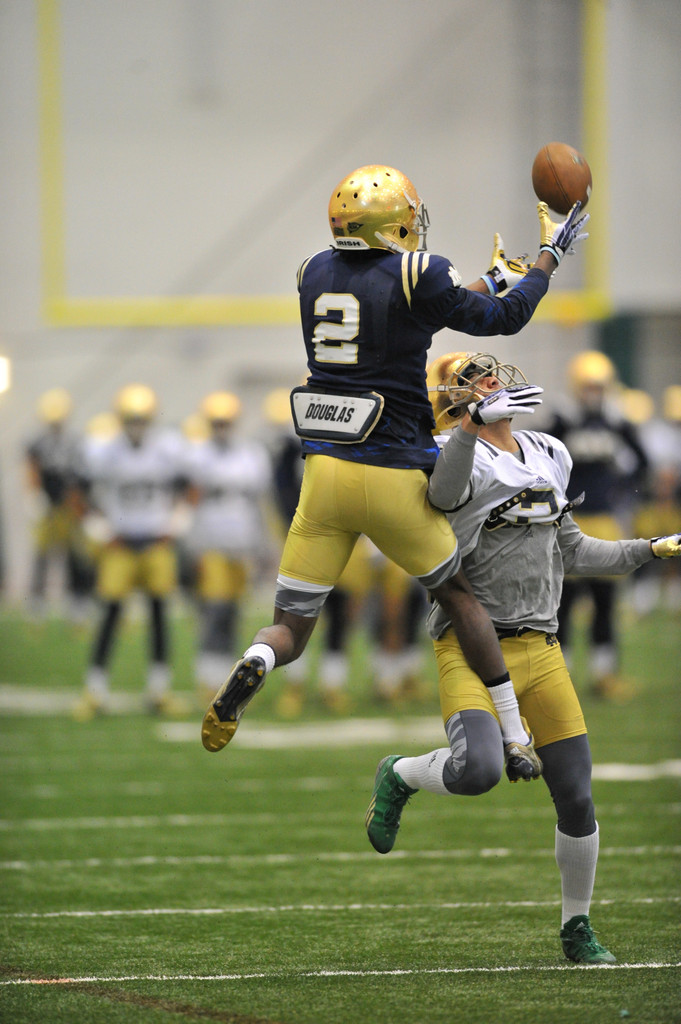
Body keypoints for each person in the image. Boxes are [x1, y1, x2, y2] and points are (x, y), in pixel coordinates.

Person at [201, 162, 589, 758]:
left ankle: (258, 656)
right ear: (394, 224)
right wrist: (546, 260)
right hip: (392, 474)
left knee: (291, 628)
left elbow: (414, 311)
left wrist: (488, 278)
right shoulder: (421, 270)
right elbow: (502, 319)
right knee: (460, 597)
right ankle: (514, 734)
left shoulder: (313, 271)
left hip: (324, 474)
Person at [364, 350, 681, 964]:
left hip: (541, 644)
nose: (490, 380)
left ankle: (577, 926)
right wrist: (464, 424)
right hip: (471, 646)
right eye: (471, 379)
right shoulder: (452, 455)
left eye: (490, 372)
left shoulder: (546, 452)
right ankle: (400, 774)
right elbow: (448, 491)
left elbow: (576, 550)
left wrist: (653, 548)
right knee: (478, 769)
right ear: (453, 398)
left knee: (577, 796)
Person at [73, 384, 188, 719]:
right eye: (131, 419)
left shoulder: (166, 449)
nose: (136, 426)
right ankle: (94, 691)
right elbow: (77, 490)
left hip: (155, 541)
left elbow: (189, 486)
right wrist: (98, 528)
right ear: (120, 419)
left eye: (141, 420)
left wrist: (177, 522)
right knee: (109, 615)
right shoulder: (104, 450)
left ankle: (159, 690)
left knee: (158, 615)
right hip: (120, 543)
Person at [546, 351, 649, 700]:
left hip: (604, 519)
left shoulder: (617, 420)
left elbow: (642, 461)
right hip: (568, 520)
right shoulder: (562, 419)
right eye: (588, 385)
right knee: (563, 602)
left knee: (604, 600)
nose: (593, 392)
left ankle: (605, 674)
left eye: (598, 386)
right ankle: (559, 678)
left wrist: (621, 488)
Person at [183, 391, 272, 702]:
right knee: (214, 610)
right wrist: (192, 546)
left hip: (241, 543)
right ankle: (208, 676)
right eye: (217, 423)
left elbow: (259, 503)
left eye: (226, 423)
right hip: (211, 543)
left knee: (233, 612)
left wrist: (261, 546)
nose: (221, 428)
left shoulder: (252, 454)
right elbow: (189, 502)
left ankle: (227, 677)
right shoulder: (196, 454)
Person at [23, 388, 93, 619]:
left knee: (75, 554)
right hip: (48, 503)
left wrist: (78, 504)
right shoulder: (38, 442)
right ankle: (37, 599)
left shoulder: (75, 441)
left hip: (69, 504)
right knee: (42, 552)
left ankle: (77, 598)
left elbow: (80, 476)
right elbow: (32, 470)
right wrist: (35, 496)